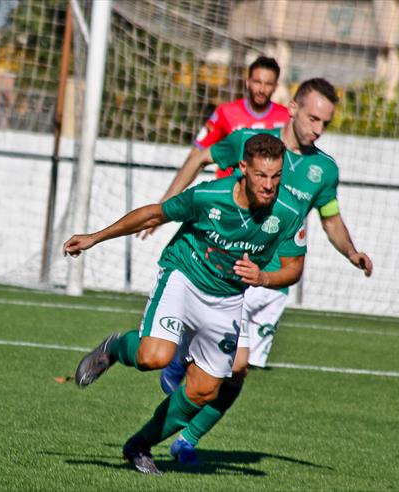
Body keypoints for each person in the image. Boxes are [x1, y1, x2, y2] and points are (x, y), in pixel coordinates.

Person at [153, 78, 373, 465]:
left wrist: (351, 252)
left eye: (325, 122)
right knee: (230, 362)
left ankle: (186, 439)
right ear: (292, 107)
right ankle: (174, 375)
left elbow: (330, 218)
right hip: (233, 269)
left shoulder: (323, 169)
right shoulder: (251, 142)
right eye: (313, 118)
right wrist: (166, 205)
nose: (318, 128)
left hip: (275, 281)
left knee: (239, 373)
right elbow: (202, 157)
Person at [65, 134, 307, 475]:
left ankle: (139, 446)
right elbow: (154, 215)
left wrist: (264, 278)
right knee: (154, 357)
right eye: (261, 175)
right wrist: (94, 237)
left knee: (205, 389)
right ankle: (115, 347)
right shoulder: (209, 195)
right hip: (184, 276)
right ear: (242, 168)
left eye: (276, 176)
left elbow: (294, 268)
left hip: (227, 298)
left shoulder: (287, 212)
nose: (269, 185)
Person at [192, 55, 289, 179]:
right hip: (227, 193)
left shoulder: (286, 118)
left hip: (268, 192)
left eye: (268, 84)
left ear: (276, 87)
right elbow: (196, 153)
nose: (262, 89)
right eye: (257, 82)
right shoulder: (225, 112)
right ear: (247, 82)